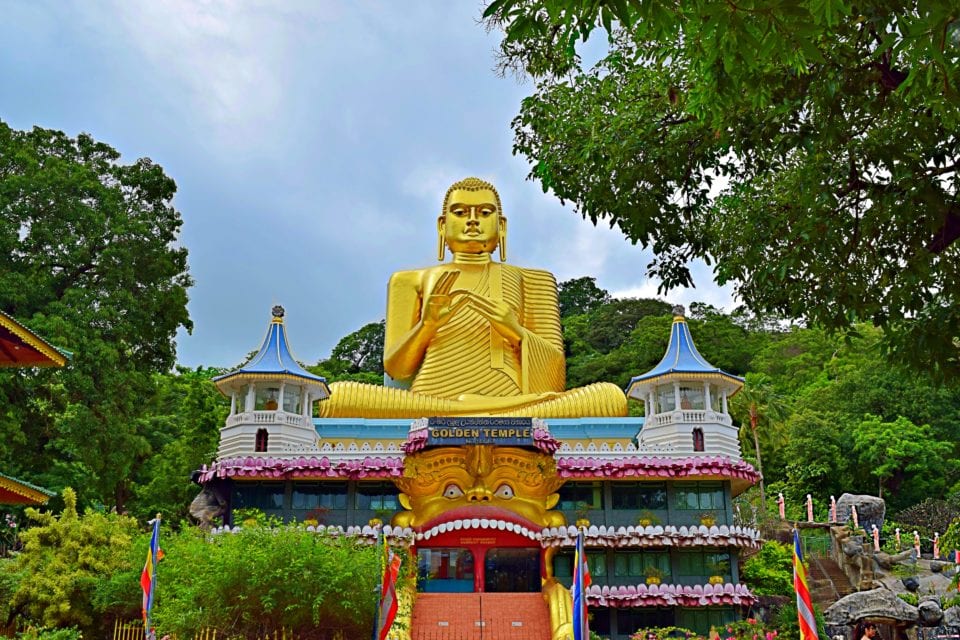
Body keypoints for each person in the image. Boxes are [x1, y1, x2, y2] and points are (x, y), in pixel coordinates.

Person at [318, 177, 627, 418]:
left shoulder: (534, 279)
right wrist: (426, 325)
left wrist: (516, 333)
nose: (472, 220)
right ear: (442, 225)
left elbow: (553, 381)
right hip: (430, 402)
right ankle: (470, 415)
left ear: (501, 227)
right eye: (460, 212)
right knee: (336, 397)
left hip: (516, 404)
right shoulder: (410, 280)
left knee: (611, 398)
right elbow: (396, 369)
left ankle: (469, 416)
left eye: (484, 212)